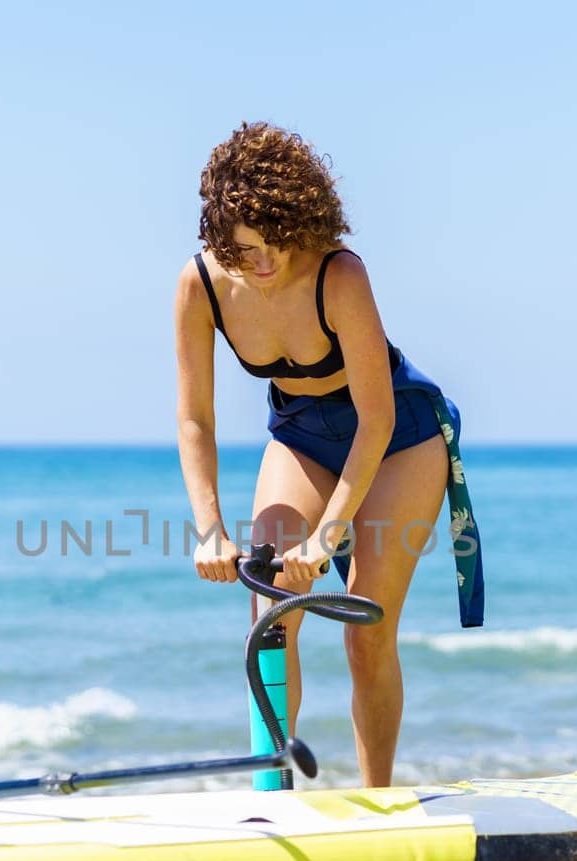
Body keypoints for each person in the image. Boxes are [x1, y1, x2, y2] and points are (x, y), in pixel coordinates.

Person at [172, 121, 483, 788]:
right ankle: (272, 793)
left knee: (364, 630)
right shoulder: (199, 287)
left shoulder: (338, 273)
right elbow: (196, 420)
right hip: (302, 434)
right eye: (244, 249)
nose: (262, 262)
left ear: (300, 218)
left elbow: (377, 420)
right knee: (271, 613)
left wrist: (327, 537)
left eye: (275, 244)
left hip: (398, 436)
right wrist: (209, 529)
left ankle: (377, 799)